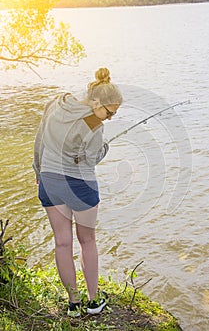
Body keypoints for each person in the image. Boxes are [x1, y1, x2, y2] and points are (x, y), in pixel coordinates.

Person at [33, 67, 123, 317]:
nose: (110, 118)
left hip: (49, 181)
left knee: (62, 242)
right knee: (87, 241)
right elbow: (89, 160)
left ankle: (73, 304)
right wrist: (104, 149)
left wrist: (39, 173)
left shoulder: (56, 103)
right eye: (109, 112)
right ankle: (94, 302)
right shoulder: (93, 124)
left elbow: (39, 140)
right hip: (79, 186)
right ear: (96, 102)